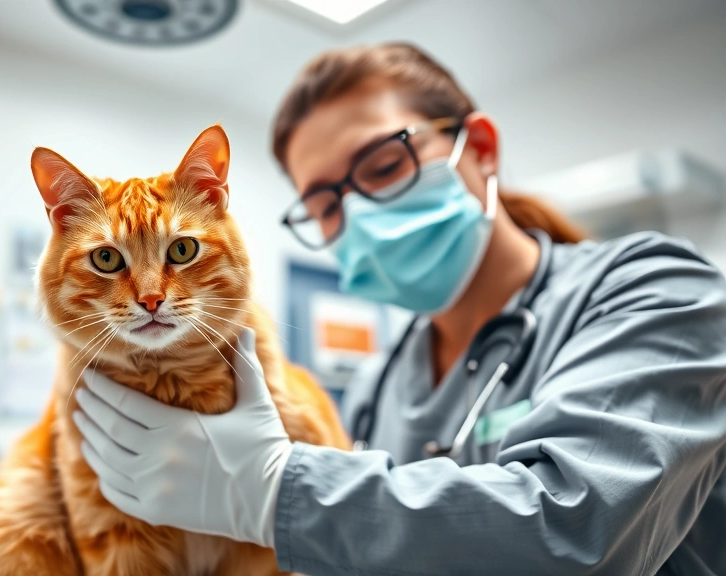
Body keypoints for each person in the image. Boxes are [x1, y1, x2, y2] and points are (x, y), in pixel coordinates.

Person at [73, 43, 726, 574]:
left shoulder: (655, 291)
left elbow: (576, 532)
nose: (356, 213)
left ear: (480, 149)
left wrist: (276, 492)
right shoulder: (377, 384)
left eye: (385, 165)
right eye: (325, 204)